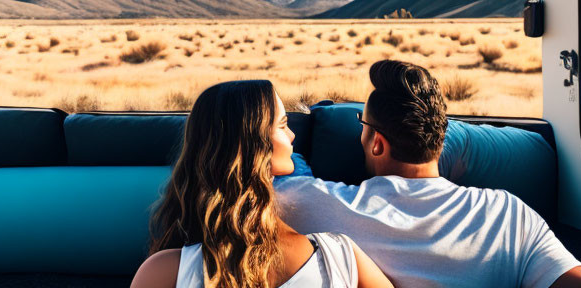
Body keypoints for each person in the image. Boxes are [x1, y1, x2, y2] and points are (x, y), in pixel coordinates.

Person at [275, 61, 581, 288]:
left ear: (377, 144)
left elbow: (286, 175)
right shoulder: (509, 215)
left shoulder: (308, 205)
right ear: (440, 138)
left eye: (362, 124)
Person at [130, 80, 393, 288]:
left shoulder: (165, 272)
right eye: (283, 125)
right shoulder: (340, 258)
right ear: (257, 148)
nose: (292, 135)